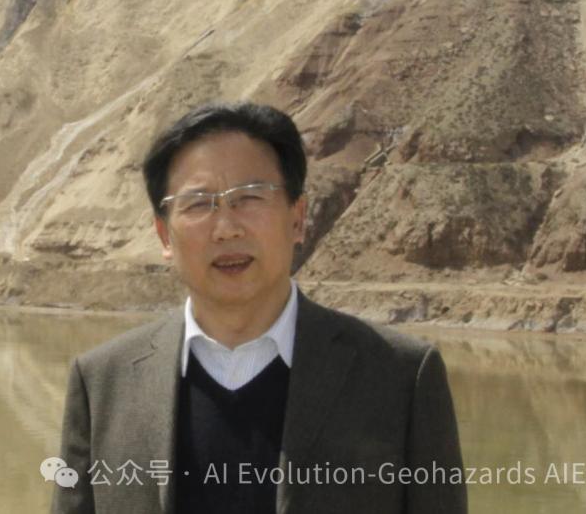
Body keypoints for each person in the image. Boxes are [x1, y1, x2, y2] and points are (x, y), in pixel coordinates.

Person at [50, 101, 467, 513]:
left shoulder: (400, 377)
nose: (227, 228)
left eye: (249, 198)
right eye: (199, 204)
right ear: (164, 236)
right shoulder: (103, 382)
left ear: (297, 218)